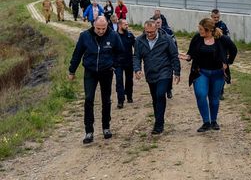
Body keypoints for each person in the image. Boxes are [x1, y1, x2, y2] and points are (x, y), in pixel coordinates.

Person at [68, 16, 123, 144]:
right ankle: (89, 131)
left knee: (106, 99)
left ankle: (106, 127)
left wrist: (114, 65)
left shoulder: (113, 36)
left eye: (103, 28)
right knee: (88, 99)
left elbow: (120, 53)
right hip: (90, 71)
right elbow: (77, 54)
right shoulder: (85, 36)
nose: (101, 31)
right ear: (93, 25)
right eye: (98, 28)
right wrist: (72, 70)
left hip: (106, 71)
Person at [180, 18, 237, 132]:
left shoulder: (222, 39)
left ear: (209, 30)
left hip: (218, 73)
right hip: (201, 72)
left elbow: (233, 50)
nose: (199, 31)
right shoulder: (197, 38)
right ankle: (206, 122)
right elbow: (191, 52)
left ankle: (214, 121)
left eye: (201, 29)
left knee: (214, 98)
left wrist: (228, 62)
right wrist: (188, 57)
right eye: (199, 29)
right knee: (201, 94)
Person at [133, 20, 180, 135]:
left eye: (152, 32)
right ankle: (158, 119)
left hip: (165, 71)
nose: (149, 34)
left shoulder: (166, 39)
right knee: (155, 98)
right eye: (147, 32)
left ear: (157, 29)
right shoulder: (139, 41)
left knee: (160, 94)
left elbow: (174, 55)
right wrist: (137, 69)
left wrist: (177, 72)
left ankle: (159, 124)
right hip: (151, 73)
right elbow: (136, 57)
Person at [115, 19, 135, 108]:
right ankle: (120, 100)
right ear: (119, 25)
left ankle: (129, 96)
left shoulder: (130, 35)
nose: (127, 26)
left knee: (129, 80)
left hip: (129, 61)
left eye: (127, 24)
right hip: (118, 63)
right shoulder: (114, 36)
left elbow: (137, 46)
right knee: (119, 81)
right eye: (125, 24)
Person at [155, 17, 176, 99]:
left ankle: (169, 89)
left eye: (159, 22)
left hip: (168, 56)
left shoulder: (168, 31)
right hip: (157, 57)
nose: (158, 24)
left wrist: (174, 53)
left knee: (169, 73)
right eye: (157, 22)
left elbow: (174, 42)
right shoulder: (151, 32)